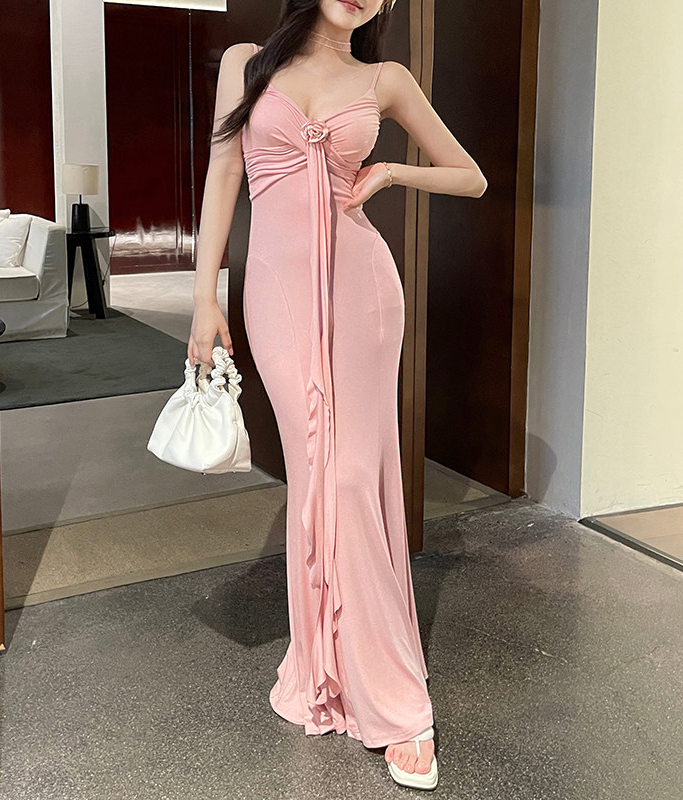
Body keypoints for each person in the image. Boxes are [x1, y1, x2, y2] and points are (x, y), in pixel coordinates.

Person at [189, 0, 486, 790]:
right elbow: (223, 178)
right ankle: (325, 660)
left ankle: (396, 701)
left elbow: (472, 176)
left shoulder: (386, 79)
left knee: (352, 475)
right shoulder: (246, 64)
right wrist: (204, 298)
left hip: (363, 289)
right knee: (316, 473)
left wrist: (391, 171)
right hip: (278, 293)